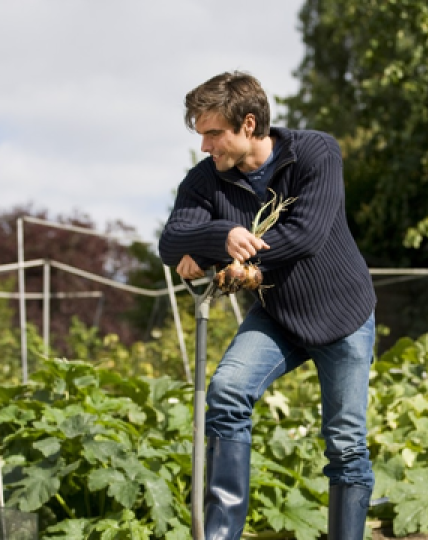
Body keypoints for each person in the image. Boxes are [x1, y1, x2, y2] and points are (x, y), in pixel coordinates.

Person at [159, 71, 377, 540]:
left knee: (345, 445)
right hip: (278, 315)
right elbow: (171, 240)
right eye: (201, 135)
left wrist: (235, 263)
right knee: (228, 392)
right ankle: (220, 536)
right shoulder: (205, 182)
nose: (205, 147)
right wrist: (222, 235)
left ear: (250, 125)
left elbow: (305, 235)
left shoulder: (315, 152)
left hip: (343, 315)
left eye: (213, 133)